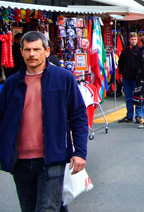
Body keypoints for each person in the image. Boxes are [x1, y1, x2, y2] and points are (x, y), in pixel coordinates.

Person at [0, 31, 88, 211]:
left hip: (52, 158)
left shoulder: (64, 79)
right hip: (20, 161)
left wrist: (80, 152)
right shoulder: (11, 84)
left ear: (47, 51)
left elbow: (78, 116)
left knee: (47, 208)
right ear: (22, 52)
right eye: (27, 50)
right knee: (29, 208)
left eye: (36, 49)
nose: (32, 54)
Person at [117, 32, 141, 124]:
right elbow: (121, 63)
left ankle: (138, 115)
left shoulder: (139, 50)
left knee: (137, 97)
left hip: (136, 77)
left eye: (135, 39)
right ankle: (129, 115)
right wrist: (121, 74)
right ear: (129, 40)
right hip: (127, 76)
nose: (134, 41)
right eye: (132, 39)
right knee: (128, 97)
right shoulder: (125, 50)